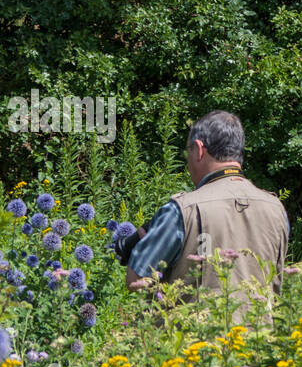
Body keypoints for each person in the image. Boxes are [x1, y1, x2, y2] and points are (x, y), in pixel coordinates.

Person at [123, 111, 290, 306]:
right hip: (258, 333)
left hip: (197, 333)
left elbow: (136, 280)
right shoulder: (276, 208)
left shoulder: (183, 209)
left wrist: (135, 247)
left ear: (199, 149)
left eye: (189, 151)